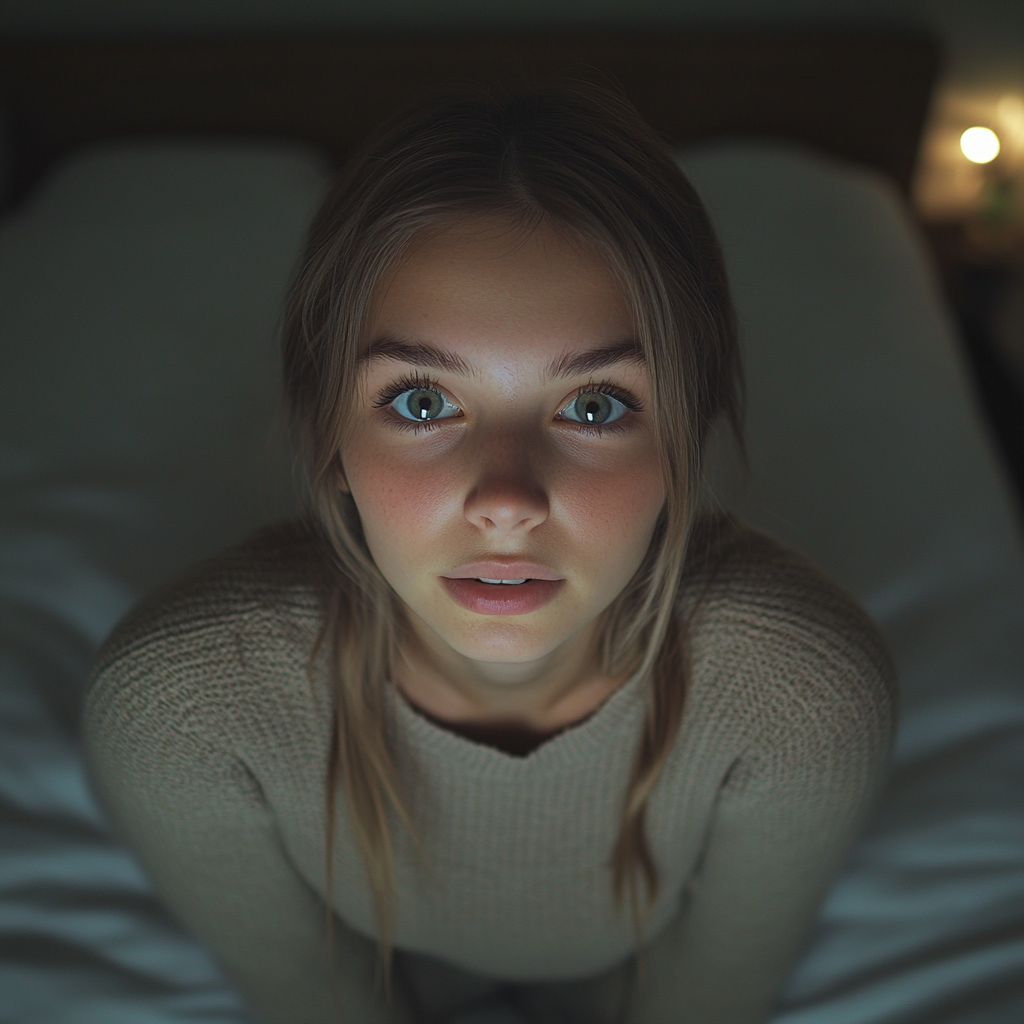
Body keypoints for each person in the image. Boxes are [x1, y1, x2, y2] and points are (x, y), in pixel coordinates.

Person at [83, 83, 896, 1024]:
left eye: (596, 406)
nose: (506, 501)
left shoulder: (798, 694)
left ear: (689, 437)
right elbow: (313, 1001)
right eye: (421, 402)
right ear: (325, 439)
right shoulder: (180, 706)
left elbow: (709, 1001)